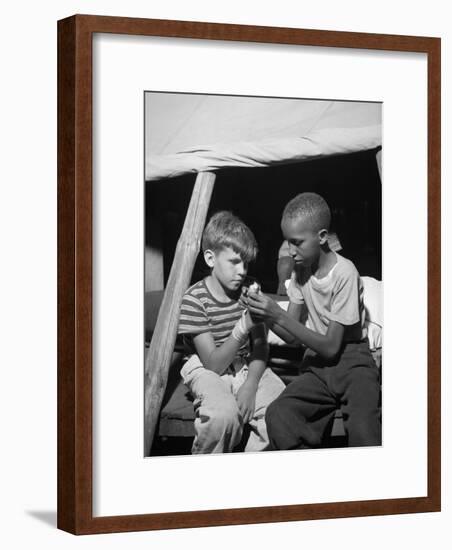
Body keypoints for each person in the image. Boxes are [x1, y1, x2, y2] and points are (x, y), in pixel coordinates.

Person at [247, 193, 381, 450]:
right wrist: (264, 315)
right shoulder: (301, 271)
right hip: (317, 365)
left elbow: (332, 345)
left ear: (321, 237)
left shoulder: (344, 272)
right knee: (280, 414)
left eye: (297, 243)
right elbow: (293, 337)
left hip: (352, 361)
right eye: (287, 243)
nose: (291, 252)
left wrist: (278, 314)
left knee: (364, 431)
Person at [178, 211, 285, 454]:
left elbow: (260, 346)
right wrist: (243, 324)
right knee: (222, 416)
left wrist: (250, 384)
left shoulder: (249, 290)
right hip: (206, 369)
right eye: (234, 262)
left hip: (246, 365)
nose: (242, 271)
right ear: (210, 258)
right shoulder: (194, 299)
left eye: (246, 263)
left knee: (281, 410)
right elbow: (213, 365)